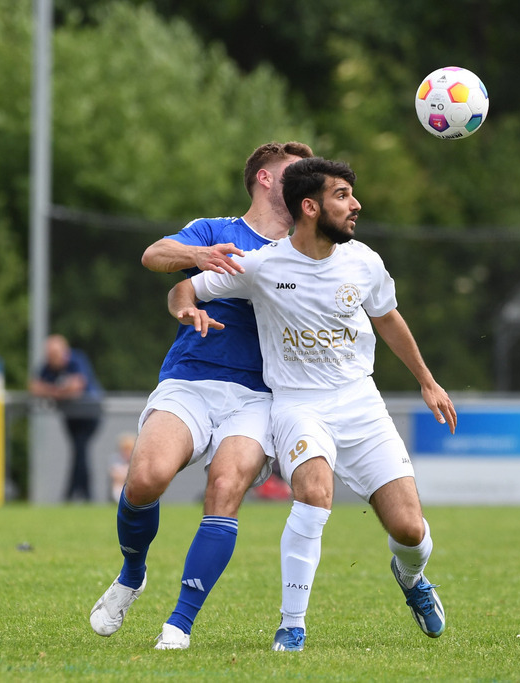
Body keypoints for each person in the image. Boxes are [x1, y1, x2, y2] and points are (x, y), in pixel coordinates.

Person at [171, 156, 457, 652]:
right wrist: (184, 308)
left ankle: (412, 578)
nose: (356, 205)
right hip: (298, 405)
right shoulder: (263, 264)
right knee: (314, 492)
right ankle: (292, 625)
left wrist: (427, 382)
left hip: (360, 404)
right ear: (309, 207)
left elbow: (387, 317)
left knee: (410, 530)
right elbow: (184, 286)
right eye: (342, 196)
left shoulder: (364, 261)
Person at [89, 141, 314, 651]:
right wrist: (196, 261)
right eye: (295, 171)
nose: (306, 180)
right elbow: (154, 256)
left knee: (224, 488)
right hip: (191, 378)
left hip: (259, 396)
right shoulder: (216, 230)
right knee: (145, 479)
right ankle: (132, 573)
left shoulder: (306, 248)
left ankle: (179, 625)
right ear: (264, 178)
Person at [28, 334, 104, 502]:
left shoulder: (77, 359)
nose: (51, 359)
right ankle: (82, 494)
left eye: (54, 355)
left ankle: (74, 494)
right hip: (71, 416)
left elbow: (77, 386)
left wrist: (52, 392)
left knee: (80, 450)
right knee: (79, 452)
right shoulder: (48, 366)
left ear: (64, 352)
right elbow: (34, 387)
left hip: (90, 414)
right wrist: (61, 391)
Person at [109, 433, 136, 504]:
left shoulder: (136, 460)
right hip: (120, 486)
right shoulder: (116, 459)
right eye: (125, 450)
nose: (127, 453)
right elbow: (115, 475)